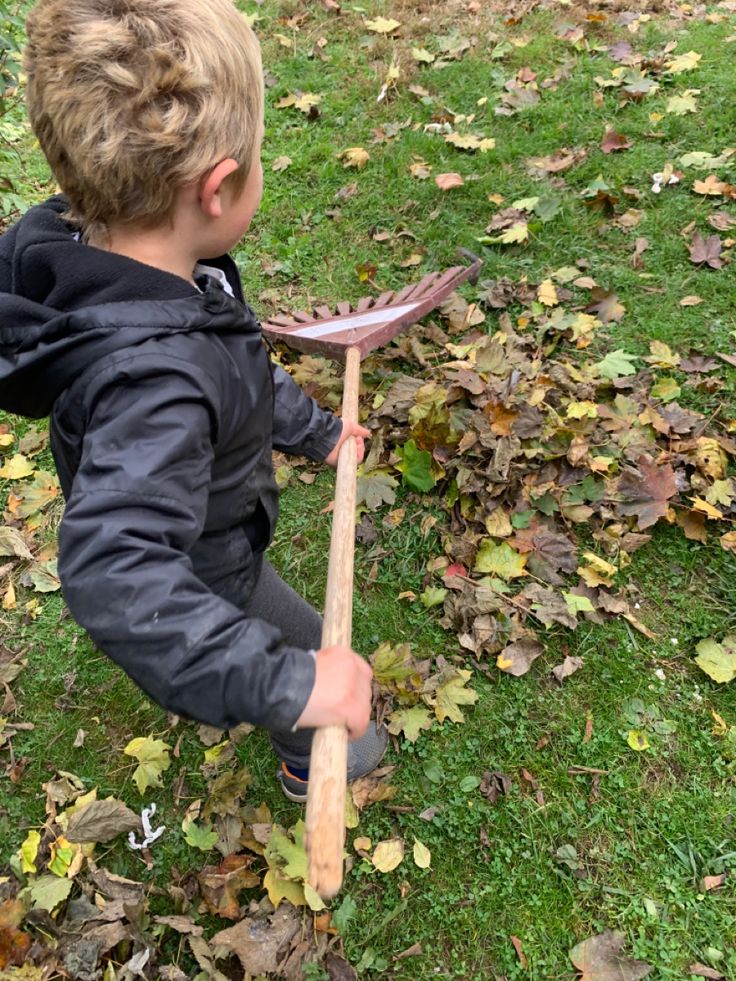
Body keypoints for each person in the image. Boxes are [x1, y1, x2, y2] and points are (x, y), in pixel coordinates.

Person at [0, 0, 387, 802]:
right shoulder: (156, 381)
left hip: (205, 504)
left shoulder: (130, 267)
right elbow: (118, 573)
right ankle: (310, 752)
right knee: (311, 651)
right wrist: (295, 687)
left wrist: (317, 432)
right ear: (217, 189)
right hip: (209, 560)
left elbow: (234, 365)